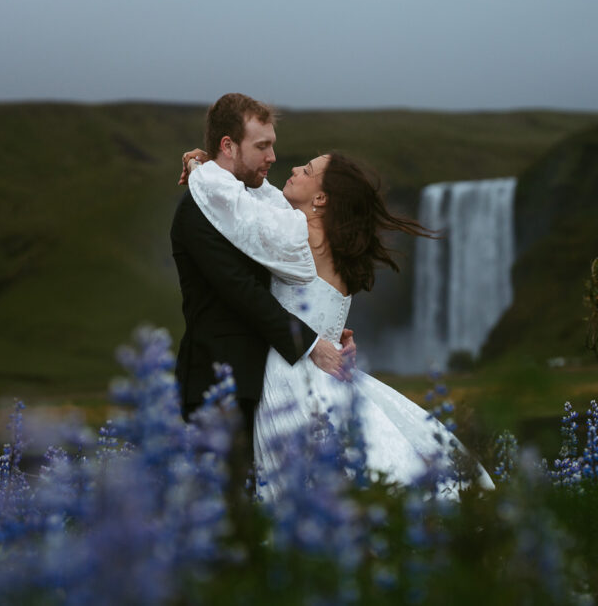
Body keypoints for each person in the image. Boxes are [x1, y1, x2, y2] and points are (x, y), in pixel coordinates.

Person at [182, 150, 495, 500]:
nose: (296, 169)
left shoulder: (302, 235)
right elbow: (267, 204)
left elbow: (240, 211)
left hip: (291, 371)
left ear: (320, 198)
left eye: (308, 169)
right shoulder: (330, 241)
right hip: (328, 373)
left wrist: (203, 169)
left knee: (298, 485)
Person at [170, 93, 353, 480]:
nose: (273, 157)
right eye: (262, 146)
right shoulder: (198, 209)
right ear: (228, 146)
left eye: (273, 145)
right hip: (220, 384)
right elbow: (240, 290)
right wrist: (311, 344)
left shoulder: (255, 207)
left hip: (271, 384)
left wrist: (331, 332)